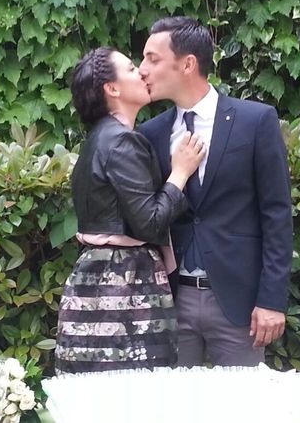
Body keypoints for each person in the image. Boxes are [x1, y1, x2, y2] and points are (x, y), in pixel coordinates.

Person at [138, 17, 293, 367]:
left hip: (239, 303)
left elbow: (277, 214)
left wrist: (271, 300)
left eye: (152, 59)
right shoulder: (151, 133)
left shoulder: (255, 121)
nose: (142, 69)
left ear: (188, 64)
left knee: (242, 399)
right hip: (172, 302)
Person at [55, 46, 206, 374]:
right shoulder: (122, 141)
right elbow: (149, 223)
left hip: (95, 278)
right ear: (112, 88)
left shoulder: (97, 138)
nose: (142, 72)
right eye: (131, 69)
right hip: (124, 285)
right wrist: (180, 173)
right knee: (132, 390)